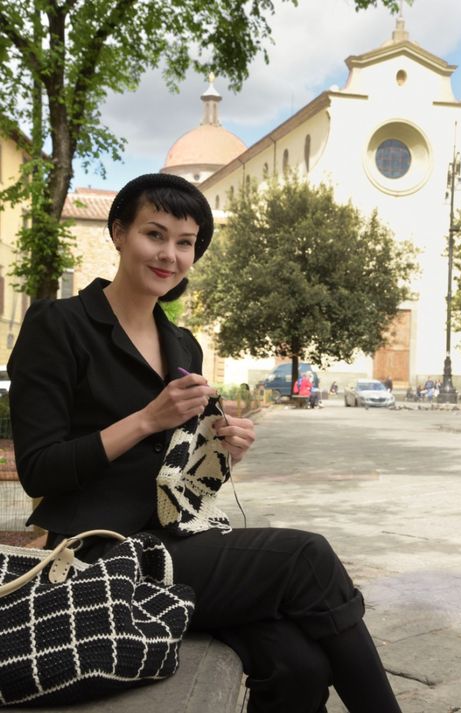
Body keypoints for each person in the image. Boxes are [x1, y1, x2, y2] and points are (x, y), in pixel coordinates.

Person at [7, 174, 402, 713]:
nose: (169, 254)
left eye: (185, 242)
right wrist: (148, 418)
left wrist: (220, 450)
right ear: (118, 232)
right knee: (305, 556)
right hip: (98, 554)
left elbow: (177, 475)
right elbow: (39, 470)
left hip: (177, 539)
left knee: (299, 666)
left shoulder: (181, 342)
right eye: (155, 234)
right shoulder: (60, 325)